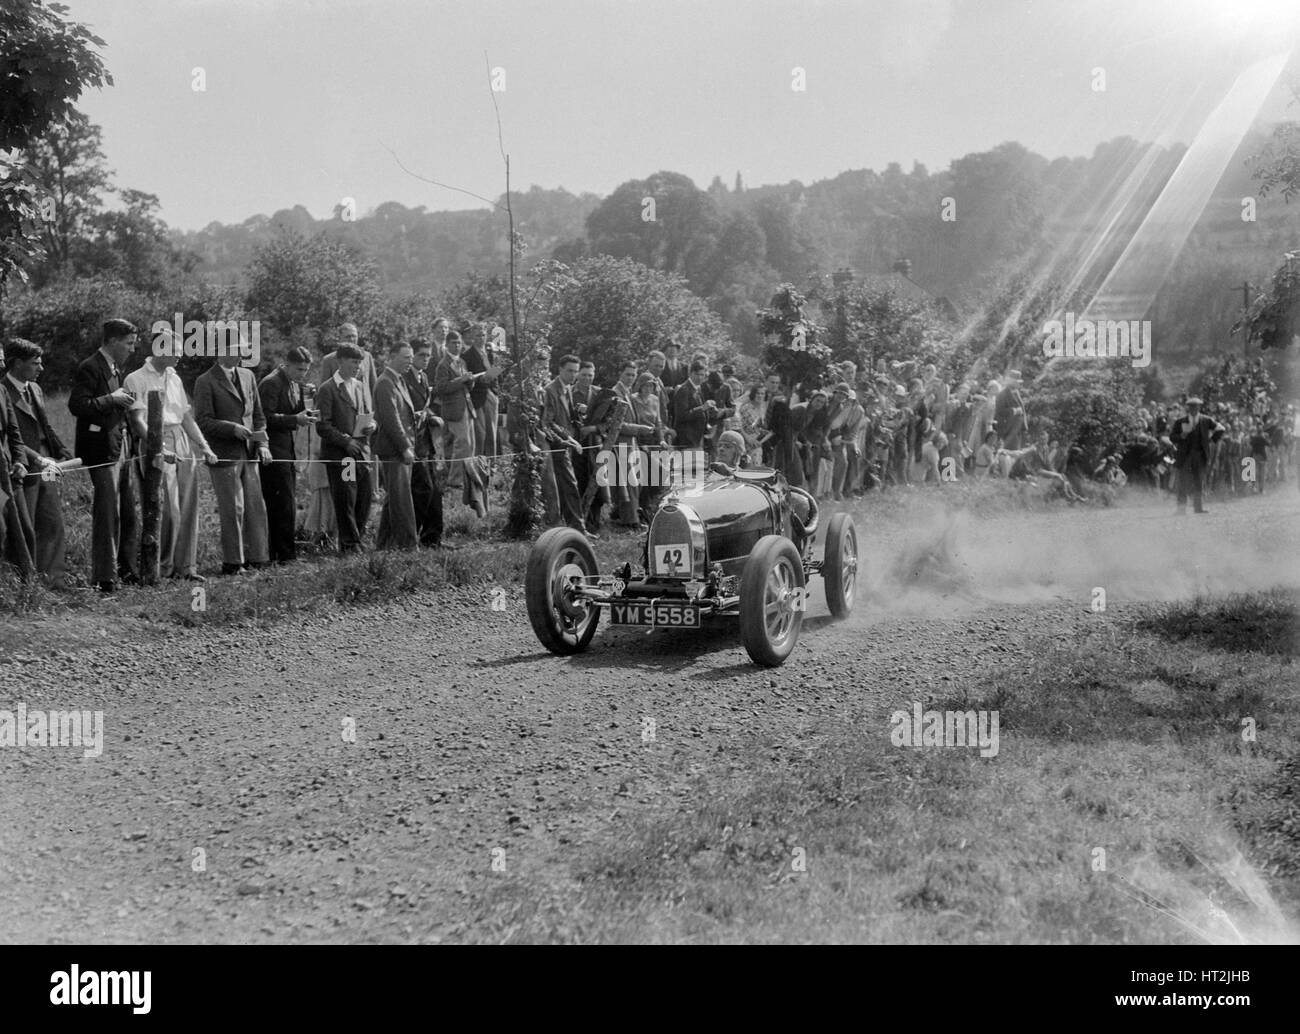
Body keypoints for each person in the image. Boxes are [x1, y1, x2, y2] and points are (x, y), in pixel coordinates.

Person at [124, 329, 219, 581]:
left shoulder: (175, 378)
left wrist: (204, 446)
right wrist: (158, 448)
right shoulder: (136, 379)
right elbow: (137, 421)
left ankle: (186, 568)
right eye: (175, 352)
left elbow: (186, 416)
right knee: (167, 507)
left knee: (189, 505)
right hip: (156, 439)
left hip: (182, 440)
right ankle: (161, 568)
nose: (179, 357)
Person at [69, 319, 140, 592]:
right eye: (129, 343)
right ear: (112, 341)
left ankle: (125, 570)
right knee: (107, 513)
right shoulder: (90, 367)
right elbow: (77, 405)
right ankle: (104, 578)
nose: (132, 349)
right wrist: (112, 399)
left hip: (119, 447)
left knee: (126, 512)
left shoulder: (114, 367)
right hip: (100, 451)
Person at [194, 347, 272, 574]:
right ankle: (233, 562)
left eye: (243, 350)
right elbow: (203, 421)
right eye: (235, 350)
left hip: (249, 454)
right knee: (233, 509)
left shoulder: (248, 376)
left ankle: (257, 558)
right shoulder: (205, 381)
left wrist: (263, 445)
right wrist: (231, 429)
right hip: (224, 453)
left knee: (256, 507)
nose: (240, 355)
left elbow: (258, 416)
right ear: (220, 351)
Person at [4, 339, 71, 586]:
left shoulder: (36, 389)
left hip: (48, 464)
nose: (41, 369)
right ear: (17, 363)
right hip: (25, 466)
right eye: (35, 364)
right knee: (27, 526)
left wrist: (62, 452)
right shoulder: (4, 392)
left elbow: (46, 427)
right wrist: (37, 459)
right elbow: (13, 438)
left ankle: (54, 581)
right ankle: (26, 583)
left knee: (52, 521)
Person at [315, 343, 375, 552]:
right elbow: (323, 426)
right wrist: (345, 441)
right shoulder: (327, 389)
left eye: (359, 363)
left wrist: (372, 425)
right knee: (346, 498)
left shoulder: (359, 386)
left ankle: (357, 539)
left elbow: (368, 412)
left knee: (365, 497)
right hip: (343, 456)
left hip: (361, 453)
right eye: (353, 362)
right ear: (340, 361)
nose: (357, 366)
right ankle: (349, 545)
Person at [258, 346, 315, 564]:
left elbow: (293, 410)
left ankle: (286, 553)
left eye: (306, 370)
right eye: (299, 369)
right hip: (272, 450)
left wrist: (306, 406)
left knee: (288, 502)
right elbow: (265, 417)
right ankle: (281, 555)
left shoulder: (293, 383)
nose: (303, 374)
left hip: (286, 449)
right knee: (281, 503)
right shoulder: (271, 383)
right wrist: (295, 420)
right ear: (287, 363)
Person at [433, 330, 488, 518]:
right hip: (453, 409)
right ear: (447, 344)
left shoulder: (462, 362)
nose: (457, 346)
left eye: (459, 343)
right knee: (462, 443)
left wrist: (470, 381)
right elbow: (441, 388)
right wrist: (461, 380)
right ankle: (455, 480)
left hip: (466, 406)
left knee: (455, 443)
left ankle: (454, 476)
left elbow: (465, 386)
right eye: (453, 343)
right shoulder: (443, 364)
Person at [373, 342, 420, 550]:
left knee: (394, 498)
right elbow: (391, 419)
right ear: (392, 357)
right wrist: (404, 447)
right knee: (401, 500)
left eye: (411, 358)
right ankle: (409, 546)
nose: (409, 361)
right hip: (394, 450)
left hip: (402, 446)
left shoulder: (398, 380)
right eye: (405, 357)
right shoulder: (385, 382)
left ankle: (383, 545)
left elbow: (401, 413)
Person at [541, 354, 591, 538]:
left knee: (567, 486)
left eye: (576, 372)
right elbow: (547, 422)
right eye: (570, 371)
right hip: (557, 444)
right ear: (560, 369)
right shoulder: (550, 390)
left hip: (568, 443)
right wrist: (566, 439)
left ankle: (572, 527)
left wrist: (577, 411)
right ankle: (578, 529)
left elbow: (567, 415)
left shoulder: (567, 388)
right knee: (569, 484)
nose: (573, 375)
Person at [404, 340, 447, 548]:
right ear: (412, 356)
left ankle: (433, 537)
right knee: (422, 489)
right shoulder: (404, 378)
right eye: (422, 355)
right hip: (413, 441)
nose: (426, 359)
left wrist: (432, 416)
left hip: (429, 440)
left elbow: (426, 406)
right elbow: (403, 409)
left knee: (436, 489)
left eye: (428, 355)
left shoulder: (424, 377)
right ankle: (413, 536)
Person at [1170, 396, 1222, 515]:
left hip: (1199, 455)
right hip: (1185, 456)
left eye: (1196, 406)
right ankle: (1181, 508)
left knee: (1199, 481)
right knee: (1183, 481)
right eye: (1191, 406)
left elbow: (1220, 429)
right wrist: (1180, 436)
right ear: (1188, 408)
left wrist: (1211, 440)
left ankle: (1198, 508)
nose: (1194, 408)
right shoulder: (1180, 421)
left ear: (1199, 407)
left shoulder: (1206, 420)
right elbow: (1172, 437)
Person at [462, 321, 501, 458]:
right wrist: (480, 378)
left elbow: (498, 371)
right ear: (472, 336)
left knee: (492, 434)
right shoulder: (466, 356)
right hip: (478, 397)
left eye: (483, 335)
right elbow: (467, 378)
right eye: (478, 336)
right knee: (480, 434)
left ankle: (492, 466)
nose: (481, 338)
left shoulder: (492, 353)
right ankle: (479, 466)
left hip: (492, 394)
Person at [672, 362, 711, 451]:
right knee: (688, 464)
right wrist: (702, 408)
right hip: (687, 440)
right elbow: (682, 415)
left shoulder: (698, 389)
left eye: (702, 375)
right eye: (697, 374)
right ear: (690, 373)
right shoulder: (684, 389)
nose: (700, 377)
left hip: (697, 439)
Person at [994, 370, 1028, 451]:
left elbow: (1022, 409)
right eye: (1017, 382)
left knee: (1017, 455)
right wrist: (1014, 410)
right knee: (1010, 455)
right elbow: (999, 411)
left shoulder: (1017, 392)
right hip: (1008, 430)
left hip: (1018, 429)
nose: (1019, 384)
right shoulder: (1002, 394)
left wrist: (1024, 426)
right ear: (1011, 381)